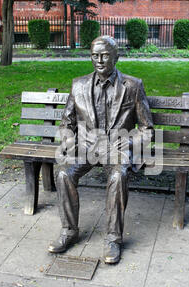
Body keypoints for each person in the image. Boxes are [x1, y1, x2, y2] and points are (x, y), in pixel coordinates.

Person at [48, 35, 154, 264]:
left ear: (116, 56)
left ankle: (113, 239)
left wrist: (131, 141)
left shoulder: (133, 86)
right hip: (87, 147)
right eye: (94, 56)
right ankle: (69, 230)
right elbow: (67, 123)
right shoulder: (79, 84)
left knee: (117, 176)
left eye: (105, 55)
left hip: (117, 147)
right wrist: (68, 141)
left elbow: (147, 129)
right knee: (64, 174)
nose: (99, 60)